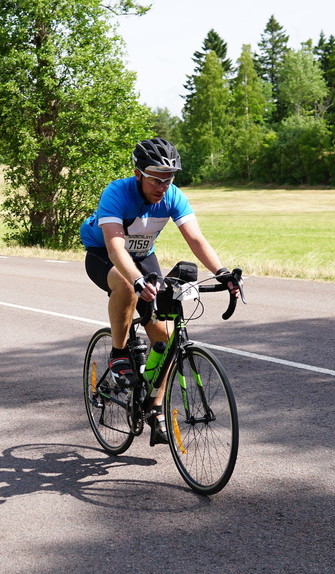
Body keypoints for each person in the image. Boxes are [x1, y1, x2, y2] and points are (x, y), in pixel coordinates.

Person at [80, 137, 240, 445]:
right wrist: (138, 281)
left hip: (142, 256)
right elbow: (115, 246)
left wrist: (221, 272)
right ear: (138, 173)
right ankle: (117, 355)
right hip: (104, 254)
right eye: (156, 179)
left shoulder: (173, 196)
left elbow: (195, 239)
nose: (163, 186)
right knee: (128, 286)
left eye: (168, 179)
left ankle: (155, 407)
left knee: (165, 338)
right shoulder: (117, 192)